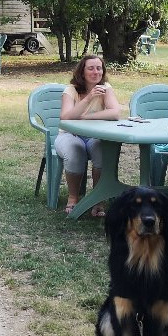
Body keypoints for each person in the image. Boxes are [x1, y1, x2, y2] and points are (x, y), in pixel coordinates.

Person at [53, 55, 122, 217]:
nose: (95, 72)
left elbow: (115, 113)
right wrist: (89, 97)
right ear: (82, 72)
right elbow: (66, 117)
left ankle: (97, 198)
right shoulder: (70, 90)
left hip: (94, 136)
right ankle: (73, 197)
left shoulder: (105, 88)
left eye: (99, 68)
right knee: (74, 150)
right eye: (90, 68)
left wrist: (85, 117)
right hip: (70, 134)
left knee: (102, 149)